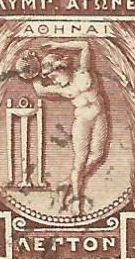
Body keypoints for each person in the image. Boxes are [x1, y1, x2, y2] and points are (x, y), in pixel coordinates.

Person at [30, 41, 110, 215]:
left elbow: (85, 45)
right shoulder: (60, 89)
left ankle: (66, 183)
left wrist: (59, 44)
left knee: (98, 155)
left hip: (100, 117)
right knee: (80, 162)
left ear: (62, 68)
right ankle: (76, 200)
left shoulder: (83, 72)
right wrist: (33, 73)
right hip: (82, 122)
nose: (53, 80)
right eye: (51, 78)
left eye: (54, 76)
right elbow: (40, 91)